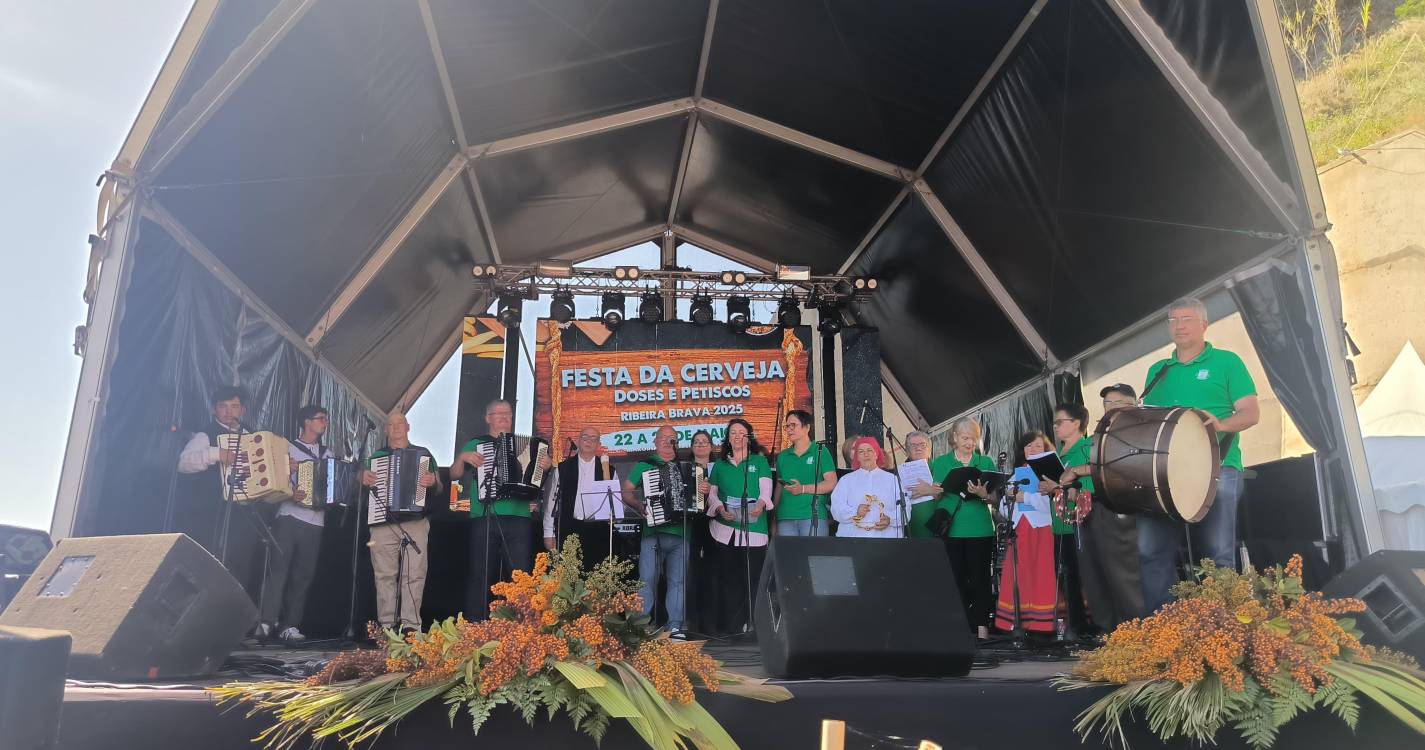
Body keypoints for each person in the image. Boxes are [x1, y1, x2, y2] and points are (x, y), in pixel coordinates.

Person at [1065, 298, 1259, 613]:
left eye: (1187, 319)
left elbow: (1251, 413)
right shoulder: (1159, 371)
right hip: (1162, 475)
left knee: (1217, 555)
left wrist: (1222, 424)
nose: (1179, 326)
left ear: (1204, 324)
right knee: (1150, 552)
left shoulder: (1227, 362)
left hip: (1218, 469)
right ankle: (1162, 628)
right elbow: (1150, 424)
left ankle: (1222, 628)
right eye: (1173, 320)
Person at [451, 399, 549, 620]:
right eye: (499, 414)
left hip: (519, 515)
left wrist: (546, 466)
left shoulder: (528, 446)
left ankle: (522, 623)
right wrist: (462, 458)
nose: (505, 418)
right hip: (484, 515)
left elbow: (539, 477)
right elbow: (454, 474)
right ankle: (476, 623)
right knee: (481, 571)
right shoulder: (477, 443)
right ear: (488, 418)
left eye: (508, 414)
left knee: (521, 573)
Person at [1058, 391, 1143, 630]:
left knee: (1122, 575)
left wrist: (1077, 470)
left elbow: (1119, 463)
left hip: (1118, 507)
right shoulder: (1101, 435)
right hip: (1091, 509)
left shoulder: (1137, 429)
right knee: (1094, 574)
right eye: (1107, 402)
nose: (1111, 406)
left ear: (1134, 404)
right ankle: (1108, 632)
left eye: (1118, 402)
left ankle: (1135, 631)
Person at [176, 385, 262, 601]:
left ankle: (232, 611)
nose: (228, 411)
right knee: (208, 563)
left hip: (242, 515)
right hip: (211, 514)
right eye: (223, 406)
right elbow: (183, 463)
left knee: (240, 564)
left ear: (243, 410)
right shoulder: (206, 435)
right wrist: (216, 453)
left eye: (234, 406)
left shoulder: (252, 436)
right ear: (214, 409)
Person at [359, 411, 441, 633]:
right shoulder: (376, 457)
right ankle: (387, 627)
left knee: (414, 574)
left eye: (400, 423)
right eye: (391, 424)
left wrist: (432, 481)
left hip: (415, 521)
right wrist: (362, 477)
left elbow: (439, 486)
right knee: (384, 574)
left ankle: (411, 626)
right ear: (385, 430)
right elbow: (359, 483)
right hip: (382, 521)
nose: (395, 427)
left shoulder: (423, 454)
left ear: (408, 427)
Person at [258, 404, 330, 643]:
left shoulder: (327, 454)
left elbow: (332, 484)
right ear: (307, 422)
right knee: (278, 571)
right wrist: (291, 492)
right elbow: (271, 480)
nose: (324, 422)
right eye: (320, 418)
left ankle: (290, 624)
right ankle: (266, 621)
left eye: (325, 419)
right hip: (289, 517)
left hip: (316, 521)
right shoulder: (287, 448)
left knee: (303, 575)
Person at [929, 417, 997, 639]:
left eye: (974, 439)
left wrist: (984, 494)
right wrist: (933, 491)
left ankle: (982, 628)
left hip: (980, 528)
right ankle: (959, 628)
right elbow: (935, 498)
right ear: (955, 437)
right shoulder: (940, 463)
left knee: (980, 579)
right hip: (952, 529)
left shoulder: (985, 462)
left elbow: (996, 499)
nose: (970, 443)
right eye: (966, 438)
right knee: (955, 579)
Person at [705, 419, 773, 636]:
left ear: (749, 437)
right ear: (728, 437)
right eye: (732, 432)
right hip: (726, 529)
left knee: (753, 578)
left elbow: (765, 491)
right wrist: (719, 508)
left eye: (741, 432)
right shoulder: (720, 465)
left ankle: (754, 626)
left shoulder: (759, 461)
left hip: (754, 528)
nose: (737, 436)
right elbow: (712, 494)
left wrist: (760, 504)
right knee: (730, 579)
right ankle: (732, 628)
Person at [623, 426, 688, 636]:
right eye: (664, 438)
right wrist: (638, 505)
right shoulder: (645, 465)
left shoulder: (686, 467)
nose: (668, 442)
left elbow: (696, 495)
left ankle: (675, 626)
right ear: (656, 441)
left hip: (681, 532)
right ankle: (641, 626)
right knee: (647, 579)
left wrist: (701, 490)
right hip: (653, 533)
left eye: (672, 438)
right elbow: (626, 491)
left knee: (678, 581)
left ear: (677, 443)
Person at [994, 431, 1060, 634]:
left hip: (1042, 530)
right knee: (1019, 575)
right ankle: (1018, 623)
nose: (1033, 449)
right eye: (1029, 446)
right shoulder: (1016, 474)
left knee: (1041, 574)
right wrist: (1009, 499)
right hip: (1020, 531)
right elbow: (1004, 509)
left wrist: (1026, 497)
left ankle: (1042, 624)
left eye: (1038, 446)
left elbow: (1052, 504)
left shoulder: (1050, 472)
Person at [542, 427, 622, 566]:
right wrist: (548, 533)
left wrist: (615, 516)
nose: (589, 441)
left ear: (598, 444)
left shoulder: (609, 470)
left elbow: (615, 505)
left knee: (596, 573)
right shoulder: (563, 468)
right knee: (568, 573)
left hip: (598, 531)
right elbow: (552, 502)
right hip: (569, 528)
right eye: (585, 437)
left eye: (593, 439)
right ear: (578, 441)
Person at [773, 410, 837, 536]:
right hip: (785, 517)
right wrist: (773, 516)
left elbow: (831, 483)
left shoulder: (820, 451)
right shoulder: (783, 456)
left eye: (793, 425)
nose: (789, 429)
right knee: (787, 550)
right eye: (787, 426)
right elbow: (779, 487)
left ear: (807, 427)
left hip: (812, 515)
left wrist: (802, 488)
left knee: (813, 550)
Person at [829, 437, 903, 538]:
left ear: (876, 454)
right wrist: (855, 511)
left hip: (886, 538)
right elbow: (836, 509)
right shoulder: (846, 480)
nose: (866, 454)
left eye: (869, 450)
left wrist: (891, 519)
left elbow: (905, 507)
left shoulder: (892, 479)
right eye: (861, 451)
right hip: (852, 538)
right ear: (857, 457)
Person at [687, 429, 718, 636]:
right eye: (696, 441)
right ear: (691, 447)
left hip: (716, 525)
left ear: (711, 446)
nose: (700, 444)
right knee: (692, 574)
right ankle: (693, 623)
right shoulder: (685, 468)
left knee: (713, 574)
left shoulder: (718, 468)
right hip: (692, 524)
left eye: (704, 441)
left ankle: (712, 624)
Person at [903, 430, 942, 538]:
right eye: (913, 445)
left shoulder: (940, 467)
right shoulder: (900, 473)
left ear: (929, 449)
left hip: (939, 530)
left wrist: (931, 491)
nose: (918, 448)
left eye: (922, 445)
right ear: (907, 451)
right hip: (911, 531)